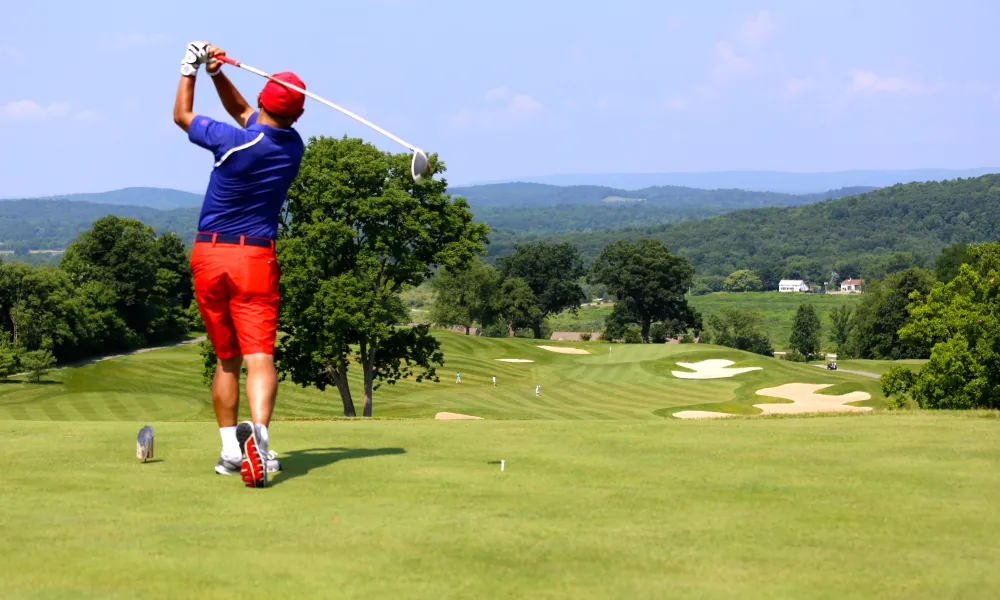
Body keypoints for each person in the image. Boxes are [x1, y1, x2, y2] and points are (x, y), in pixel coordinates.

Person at [173, 41, 306, 488]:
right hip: (254, 257)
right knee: (259, 356)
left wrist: (189, 69)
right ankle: (260, 441)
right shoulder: (292, 148)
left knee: (227, 359)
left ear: (264, 100)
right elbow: (247, 112)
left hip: (209, 256)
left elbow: (183, 117)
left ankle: (232, 450)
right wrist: (216, 72)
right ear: (297, 116)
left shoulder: (233, 141)